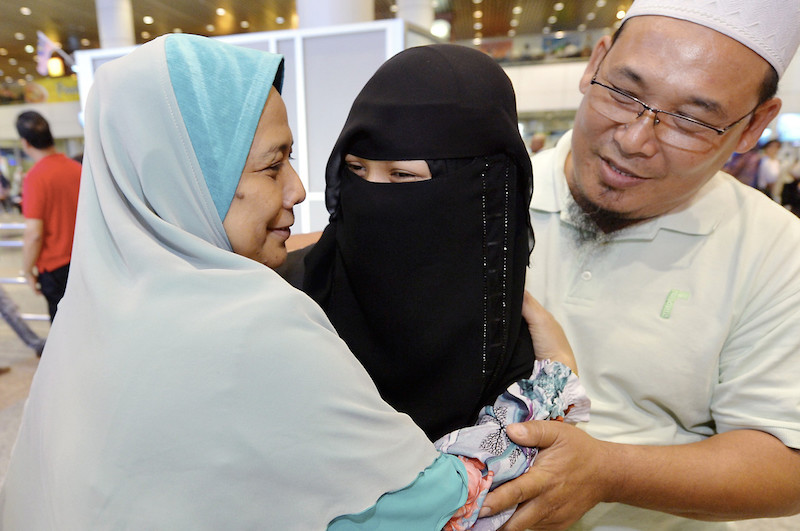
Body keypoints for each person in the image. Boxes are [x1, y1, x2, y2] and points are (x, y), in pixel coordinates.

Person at [0, 34, 587, 530]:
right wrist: (557, 380)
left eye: (404, 176)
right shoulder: (256, 322)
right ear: (183, 178)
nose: (302, 190)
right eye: (271, 164)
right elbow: (443, 506)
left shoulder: (100, 311)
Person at [479, 1, 800, 530]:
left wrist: (607, 471)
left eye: (692, 120)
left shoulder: (776, 253)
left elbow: (784, 465)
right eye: (624, 94)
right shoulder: (487, 200)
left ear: (753, 127)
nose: (633, 140)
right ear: (594, 64)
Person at [278, 44, 545, 442]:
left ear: (480, 188)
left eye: (402, 176)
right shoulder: (290, 294)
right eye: (355, 170)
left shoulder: (517, 346)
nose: (371, 194)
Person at [15, 110, 81, 322]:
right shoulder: (77, 169)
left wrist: (27, 271)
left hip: (56, 271)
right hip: (84, 261)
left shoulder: (35, 177)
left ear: (25, 143)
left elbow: (34, 234)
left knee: (64, 332)